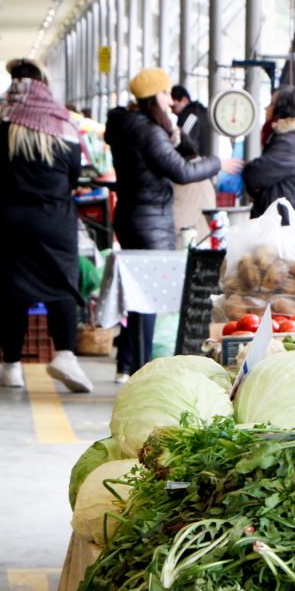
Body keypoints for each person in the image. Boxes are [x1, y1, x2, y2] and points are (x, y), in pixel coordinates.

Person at [105, 68, 243, 382]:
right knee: (148, 296)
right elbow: (180, 170)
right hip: (150, 219)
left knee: (138, 294)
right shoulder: (148, 131)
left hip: (131, 215)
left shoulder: (127, 126)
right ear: (154, 95)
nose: (171, 99)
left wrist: (174, 131)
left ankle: (129, 365)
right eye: (166, 93)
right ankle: (141, 370)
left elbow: (181, 151)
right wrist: (217, 163)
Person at [0, 58, 93, 392]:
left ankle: (11, 366)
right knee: (60, 283)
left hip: (6, 219)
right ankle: (65, 355)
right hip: (53, 220)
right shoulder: (64, 127)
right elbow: (74, 176)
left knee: (11, 291)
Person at [242, 85, 295, 228]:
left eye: (271, 104)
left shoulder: (292, 143)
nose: (266, 109)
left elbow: (254, 174)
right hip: (290, 226)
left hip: (288, 232)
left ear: (283, 110)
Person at [170, 85, 210, 157]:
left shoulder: (190, 116)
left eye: (173, 107)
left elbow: (186, 144)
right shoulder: (201, 112)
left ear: (184, 100)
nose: (172, 111)